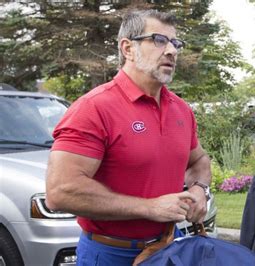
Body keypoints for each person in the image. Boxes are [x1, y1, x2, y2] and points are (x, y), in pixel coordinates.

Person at [45, 10, 211, 265]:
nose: (172, 51)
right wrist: (150, 208)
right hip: (110, 253)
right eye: (158, 40)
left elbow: (198, 160)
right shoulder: (94, 107)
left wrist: (200, 190)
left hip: (167, 248)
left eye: (175, 43)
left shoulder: (181, 109)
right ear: (128, 48)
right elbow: (60, 192)